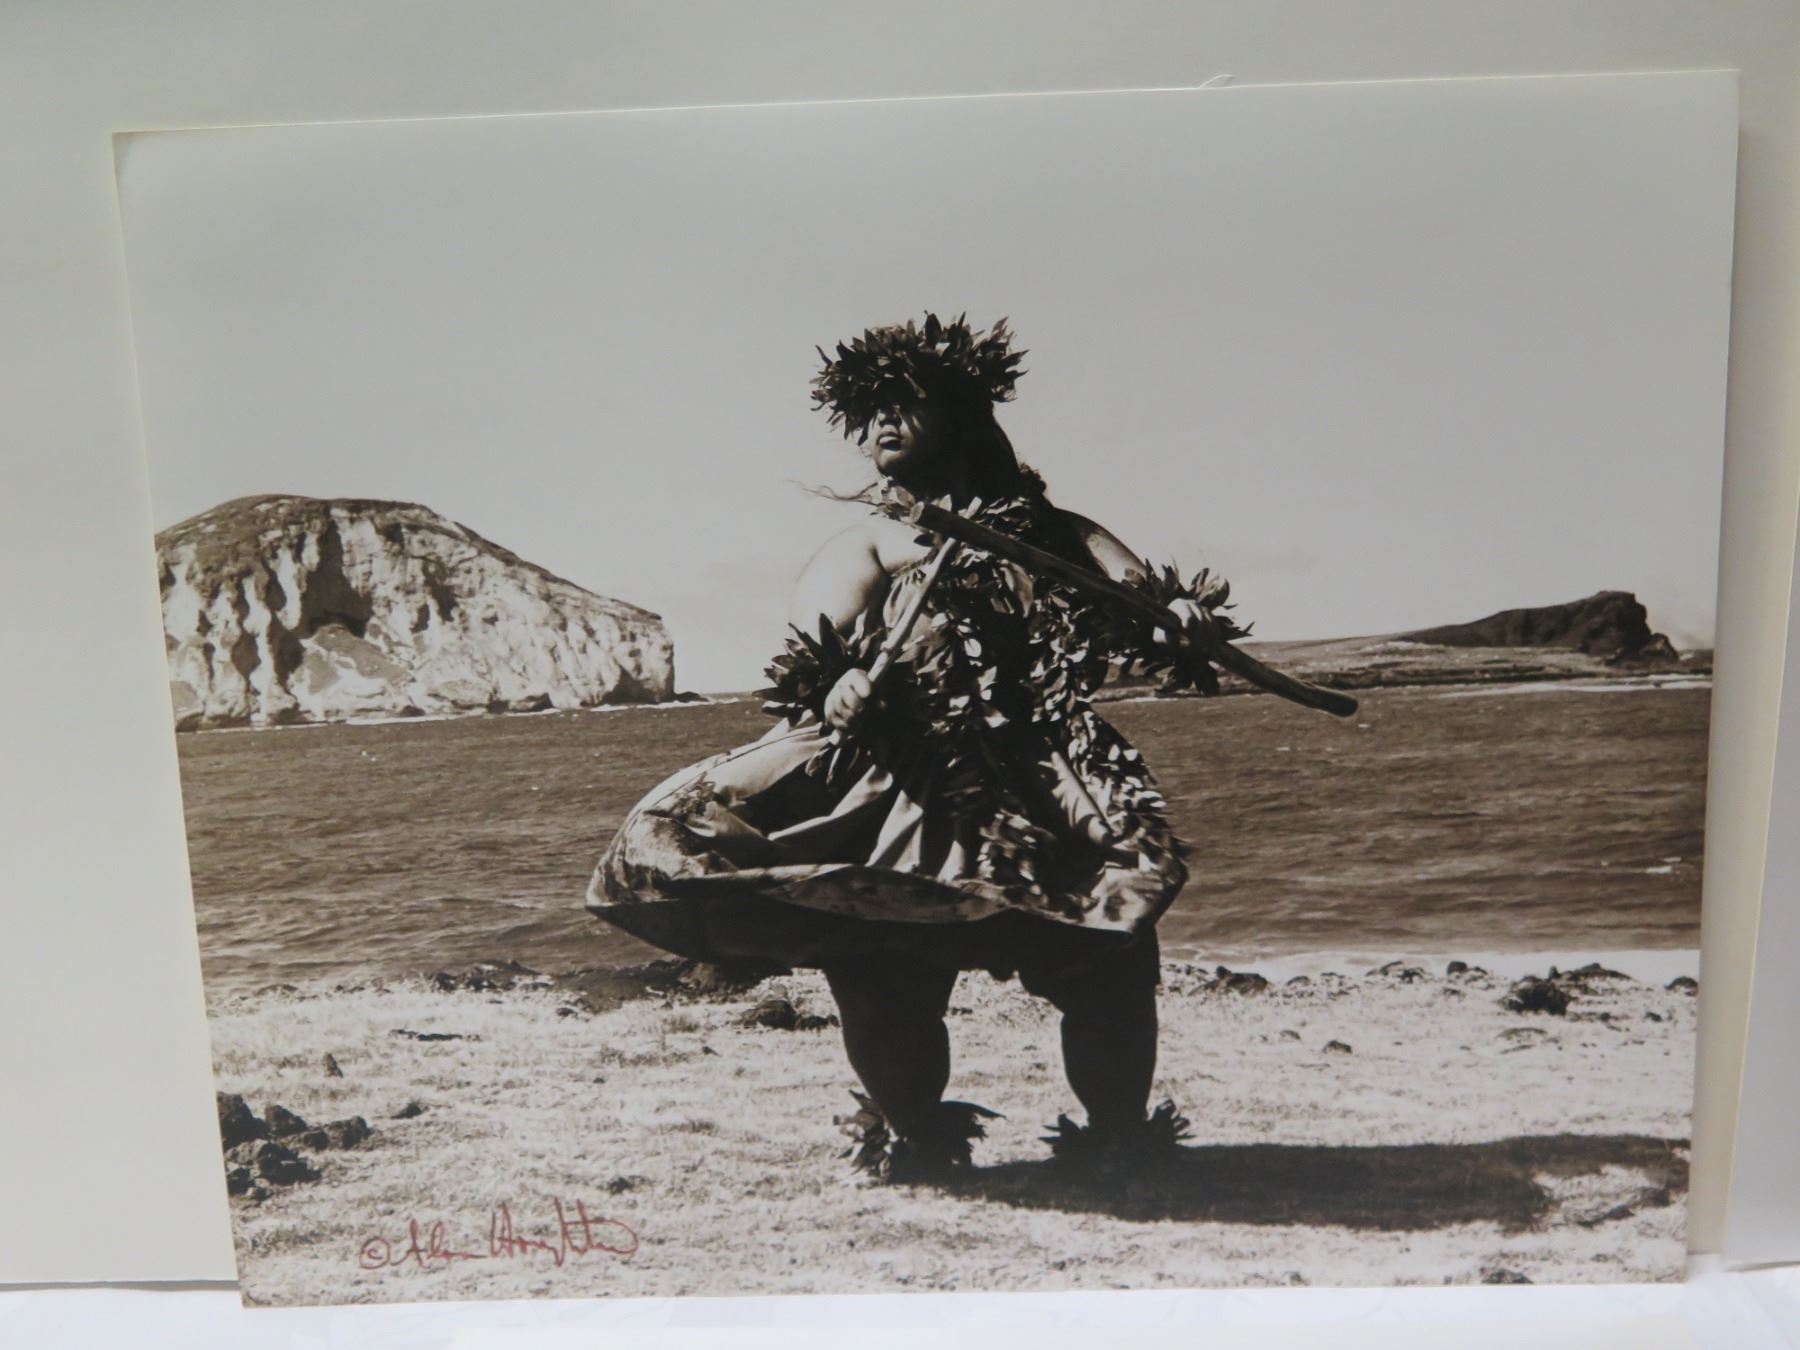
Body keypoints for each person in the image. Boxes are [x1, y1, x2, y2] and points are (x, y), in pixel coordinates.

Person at [588, 313, 1237, 1182]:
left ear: (962, 411)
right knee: (885, 974)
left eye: (903, 403)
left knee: (1108, 960)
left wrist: (1180, 620)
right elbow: (812, 655)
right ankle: (917, 1141)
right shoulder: (868, 542)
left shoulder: (1060, 535)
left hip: (1047, 778)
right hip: (904, 782)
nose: (881, 424)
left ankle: (1119, 1142)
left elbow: (1144, 612)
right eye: (868, 412)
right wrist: (838, 685)